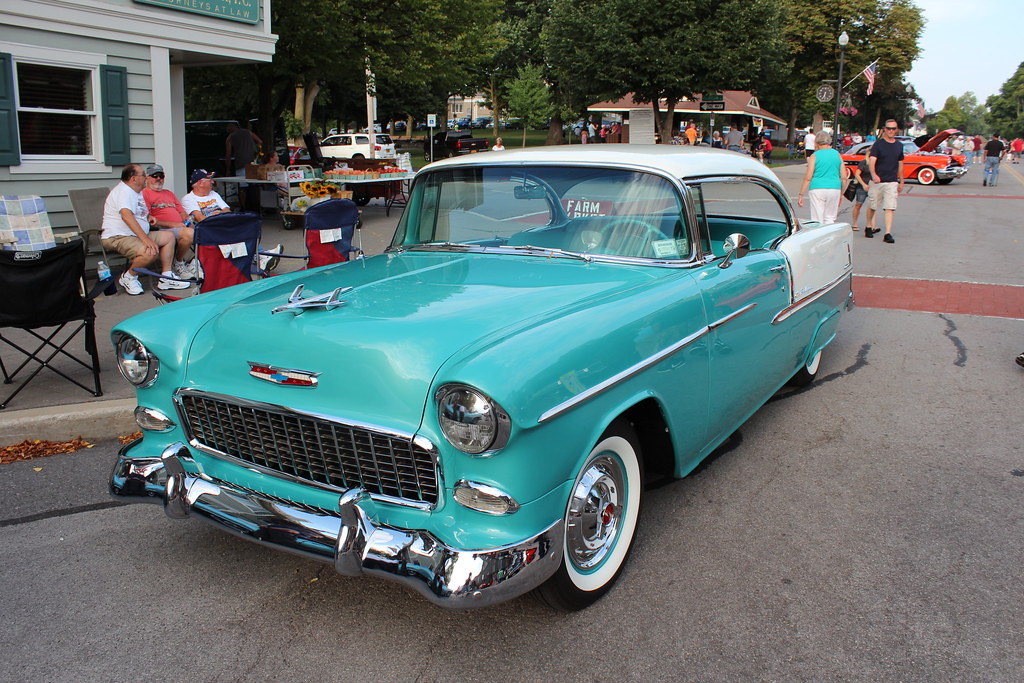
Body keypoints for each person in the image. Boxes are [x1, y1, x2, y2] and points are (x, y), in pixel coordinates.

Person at [100, 164, 191, 295]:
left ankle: (166, 277)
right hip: (119, 236)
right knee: (150, 251)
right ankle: (129, 277)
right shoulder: (124, 191)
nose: (145, 177)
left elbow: (138, 212)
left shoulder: (136, 192)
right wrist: (145, 239)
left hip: (135, 234)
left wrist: (149, 216)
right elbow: (126, 216)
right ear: (133, 178)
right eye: (143, 175)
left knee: (168, 237)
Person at [141, 164, 196, 277]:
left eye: (161, 176)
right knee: (189, 234)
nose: (158, 179)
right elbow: (151, 220)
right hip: (161, 230)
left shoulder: (169, 193)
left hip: (180, 227)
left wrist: (187, 219)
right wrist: (176, 225)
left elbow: (181, 211)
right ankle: (179, 263)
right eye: (154, 176)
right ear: (147, 178)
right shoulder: (144, 194)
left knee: (204, 230)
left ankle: (196, 263)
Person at [797, 130, 849, 225]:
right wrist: (841, 193)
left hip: (817, 188)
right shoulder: (837, 155)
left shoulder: (814, 156)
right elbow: (844, 177)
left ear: (816, 142)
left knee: (817, 219)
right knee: (830, 218)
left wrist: (801, 194)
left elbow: (808, 177)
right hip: (834, 188)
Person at [866, 119, 905, 243]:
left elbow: (900, 164)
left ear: (897, 129)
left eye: (894, 129)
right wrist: (874, 174)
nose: (891, 131)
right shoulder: (878, 144)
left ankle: (887, 233)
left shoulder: (899, 145)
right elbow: (872, 161)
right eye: (889, 128)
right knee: (873, 206)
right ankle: (868, 226)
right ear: (884, 129)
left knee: (890, 207)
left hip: (892, 181)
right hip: (878, 181)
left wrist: (901, 180)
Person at [225, 122, 262, 210]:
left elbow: (228, 155)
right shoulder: (248, 132)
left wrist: (228, 169)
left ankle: (244, 207)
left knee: (242, 187)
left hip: (240, 164)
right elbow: (260, 141)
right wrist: (256, 152)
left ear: (230, 130)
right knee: (255, 185)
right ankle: (258, 206)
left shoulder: (230, 138)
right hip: (252, 163)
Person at [849, 157, 872, 232]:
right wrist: (863, 184)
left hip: (873, 187)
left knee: (872, 207)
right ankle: (855, 223)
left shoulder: (879, 163)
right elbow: (857, 174)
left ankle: (871, 225)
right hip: (862, 186)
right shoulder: (864, 162)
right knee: (858, 205)